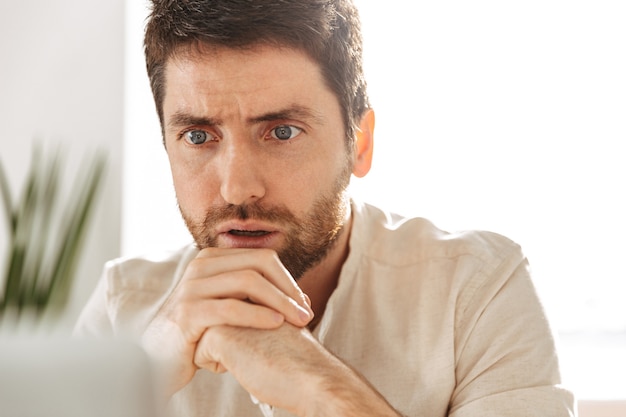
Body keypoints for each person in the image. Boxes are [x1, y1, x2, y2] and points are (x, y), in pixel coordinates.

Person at [74, 0, 576, 415]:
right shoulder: (125, 309)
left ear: (360, 144)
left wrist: (322, 391)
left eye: (282, 132)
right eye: (199, 136)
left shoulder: (476, 292)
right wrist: (137, 381)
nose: (236, 188)